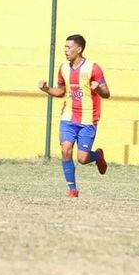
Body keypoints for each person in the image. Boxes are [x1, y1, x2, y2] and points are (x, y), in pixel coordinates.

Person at [38, 34, 110, 198]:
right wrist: (46, 89)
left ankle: (98, 156)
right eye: (64, 47)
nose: (65, 50)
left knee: (83, 159)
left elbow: (106, 94)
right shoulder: (63, 68)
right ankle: (72, 189)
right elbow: (61, 92)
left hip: (88, 119)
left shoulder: (93, 68)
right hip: (68, 116)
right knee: (65, 150)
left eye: (68, 47)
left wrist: (97, 89)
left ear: (79, 49)